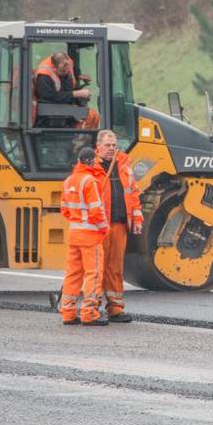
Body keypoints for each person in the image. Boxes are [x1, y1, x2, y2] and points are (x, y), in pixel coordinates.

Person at [95, 130, 144, 323]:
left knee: (115, 268)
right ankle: (93, 309)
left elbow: (133, 196)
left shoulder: (124, 167)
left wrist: (137, 221)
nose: (111, 149)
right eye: (107, 145)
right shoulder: (92, 168)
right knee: (97, 268)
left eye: (114, 145)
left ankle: (115, 309)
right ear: (98, 146)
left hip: (119, 225)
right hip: (100, 227)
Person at [59, 147, 109, 326]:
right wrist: (104, 229)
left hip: (74, 235)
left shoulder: (68, 181)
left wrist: (78, 220)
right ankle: (89, 312)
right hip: (90, 236)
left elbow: (64, 210)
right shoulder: (90, 181)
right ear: (90, 161)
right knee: (93, 274)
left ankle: (68, 312)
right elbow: (96, 211)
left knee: (72, 274)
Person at [34, 52, 99, 129]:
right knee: (90, 115)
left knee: (95, 116)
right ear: (54, 67)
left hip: (65, 103)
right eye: (63, 71)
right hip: (53, 109)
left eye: (68, 70)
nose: (66, 72)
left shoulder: (67, 63)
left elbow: (69, 76)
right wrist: (76, 94)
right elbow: (49, 96)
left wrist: (79, 77)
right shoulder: (44, 76)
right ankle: (77, 139)